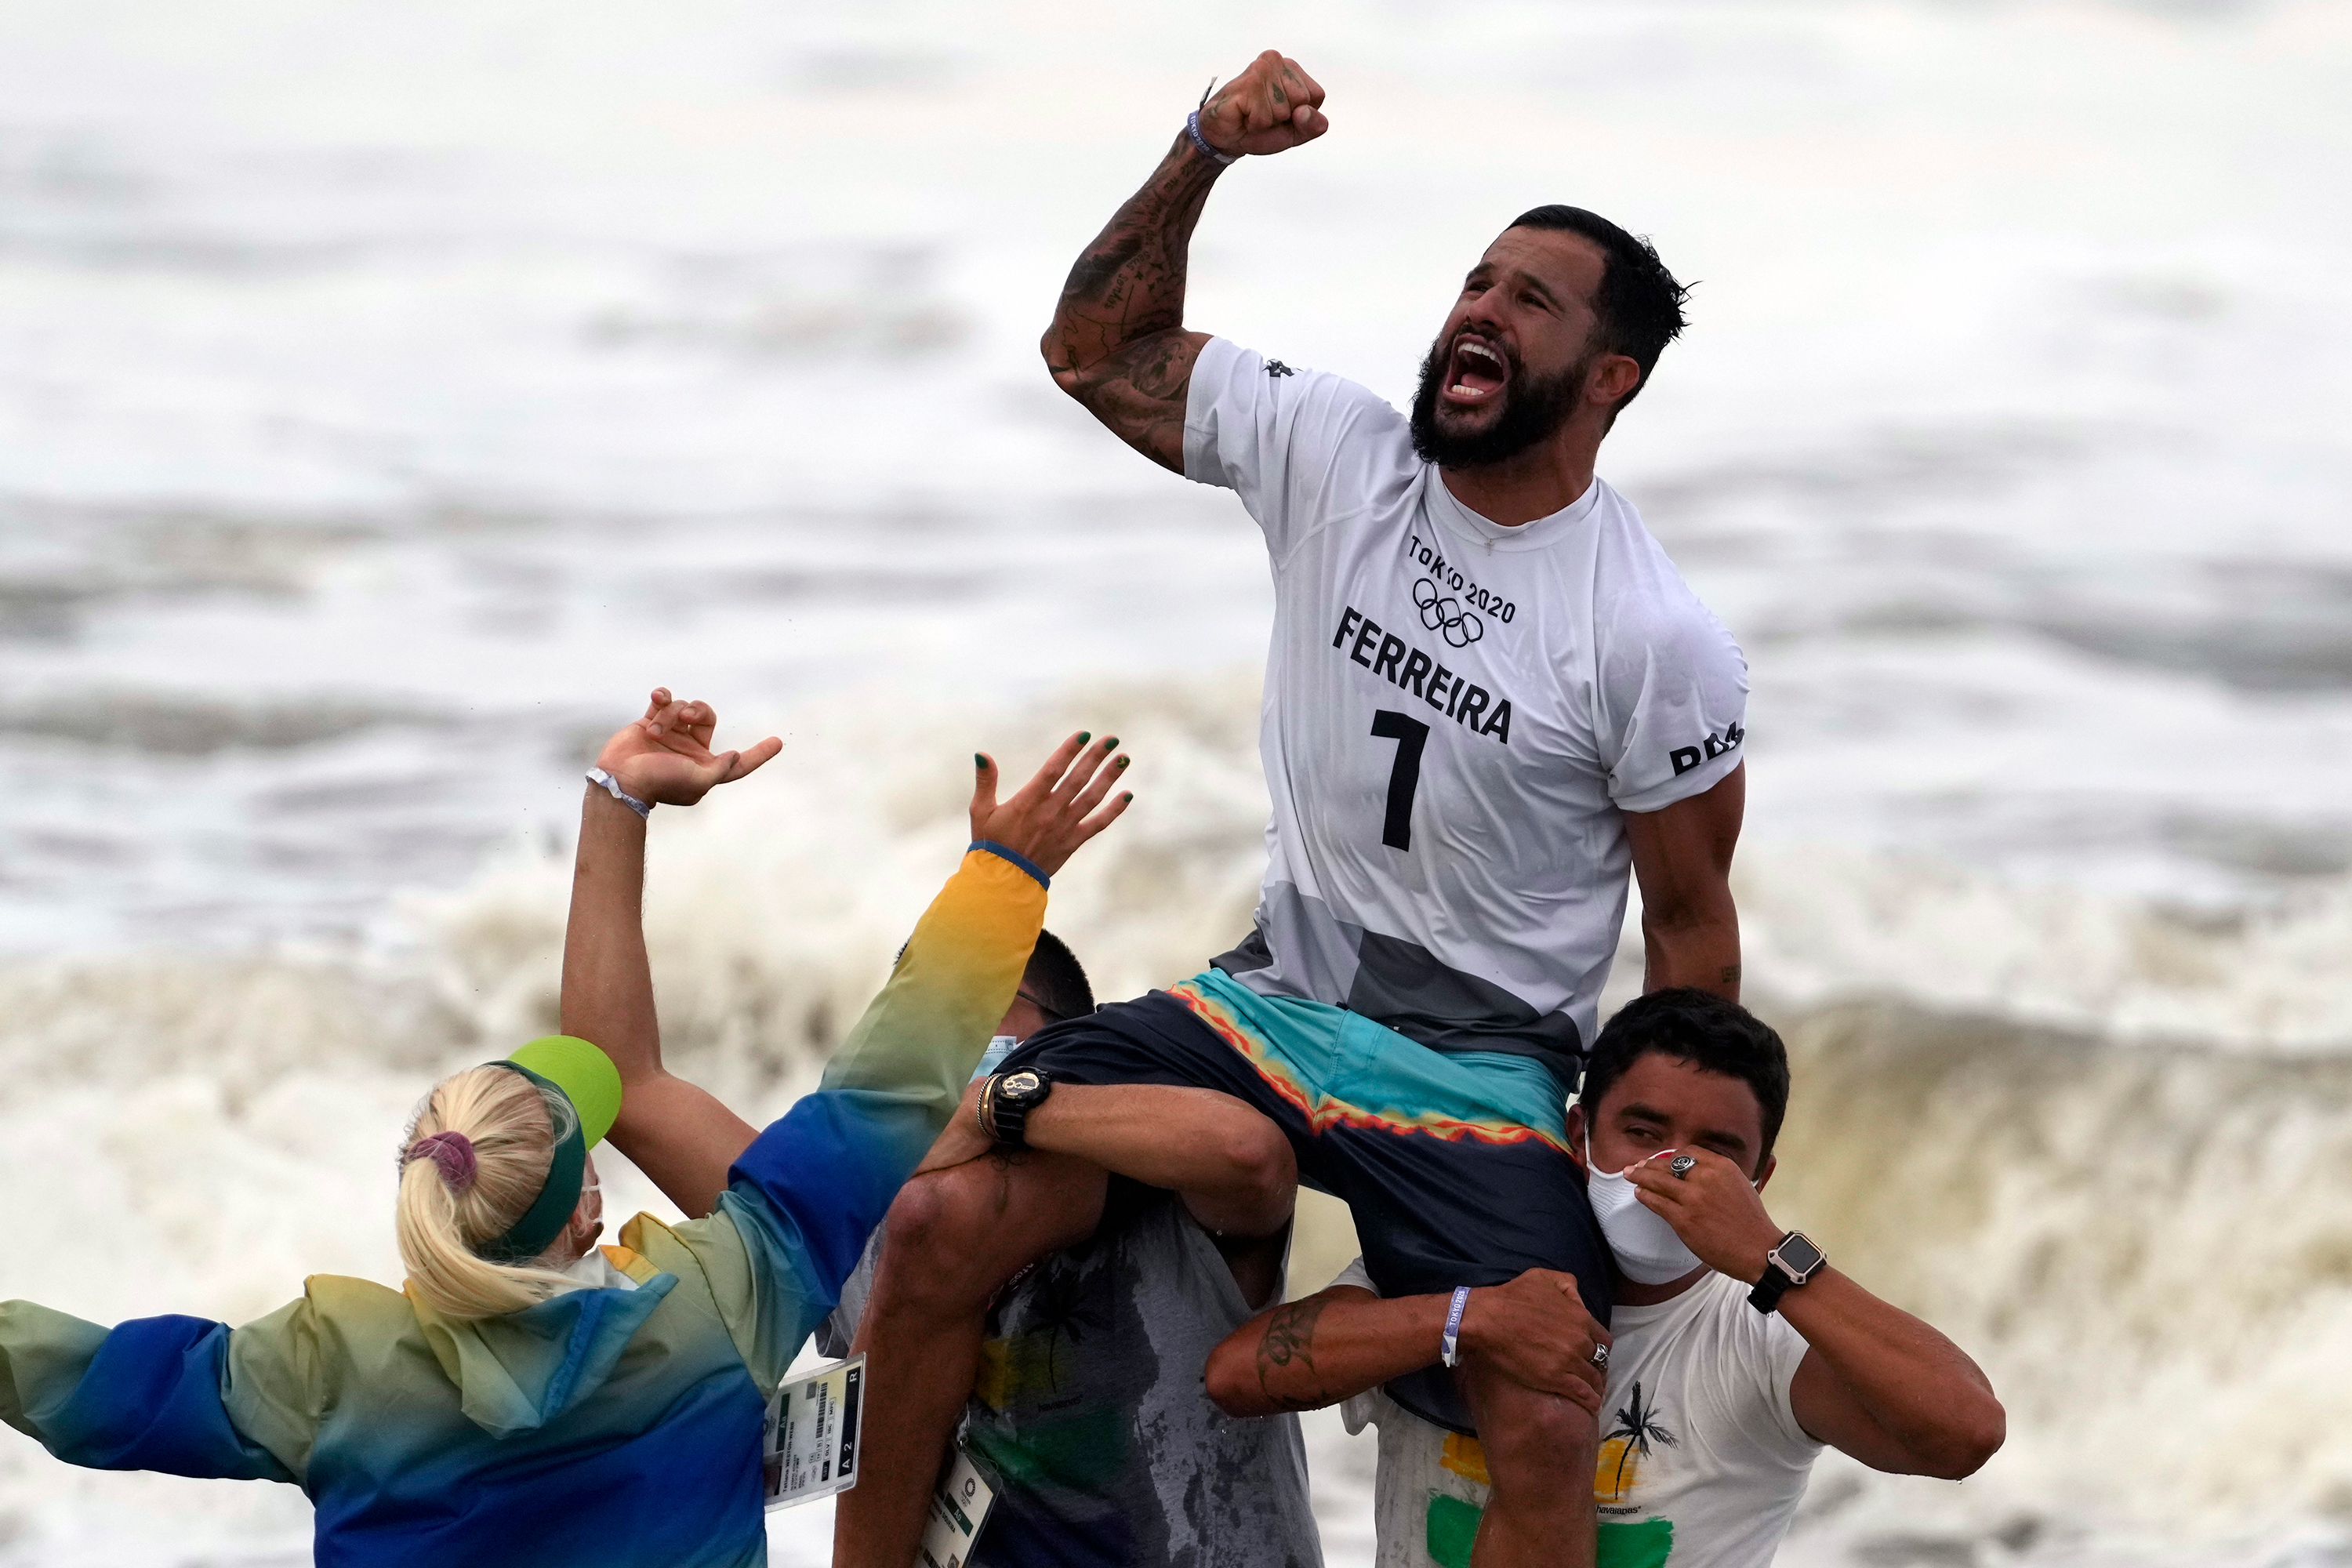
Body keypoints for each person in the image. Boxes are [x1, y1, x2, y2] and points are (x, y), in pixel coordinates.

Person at [839, 46, 1749, 1568]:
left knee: (1542, 1403)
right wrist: (1204, 146)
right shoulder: (1339, 451)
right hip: (1270, 1006)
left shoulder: (1654, 637)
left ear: (1612, 379)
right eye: (1476, 279)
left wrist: (1659, 1173)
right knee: (937, 1227)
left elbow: (1694, 929)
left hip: (1480, 1072)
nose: (1479, 307)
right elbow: (1088, 351)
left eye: (1531, 299)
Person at [0, 689, 1132, 1568]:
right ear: (589, 1205)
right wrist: (1004, 876)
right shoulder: (720, 1305)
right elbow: (879, 1090)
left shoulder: (327, 1375)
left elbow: (95, 1389)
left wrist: (617, 795)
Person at [1206, 989, 2009, 1568]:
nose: (1669, 1166)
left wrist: (1776, 1258)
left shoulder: (1758, 1328)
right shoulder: (1464, 1258)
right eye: (1643, 1130)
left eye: (1714, 1150)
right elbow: (1239, 1373)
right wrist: (1467, 1316)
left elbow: (1965, 1431)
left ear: (1759, 1174)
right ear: (1580, 1130)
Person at [815, 935, 1323, 1568]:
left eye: (970, 1008)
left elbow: (1250, 1154)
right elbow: (649, 1096)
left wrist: (996, 1106)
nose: (935, 1040)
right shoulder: (867, 1232)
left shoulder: (1166, 1201)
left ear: (1069, 1039)